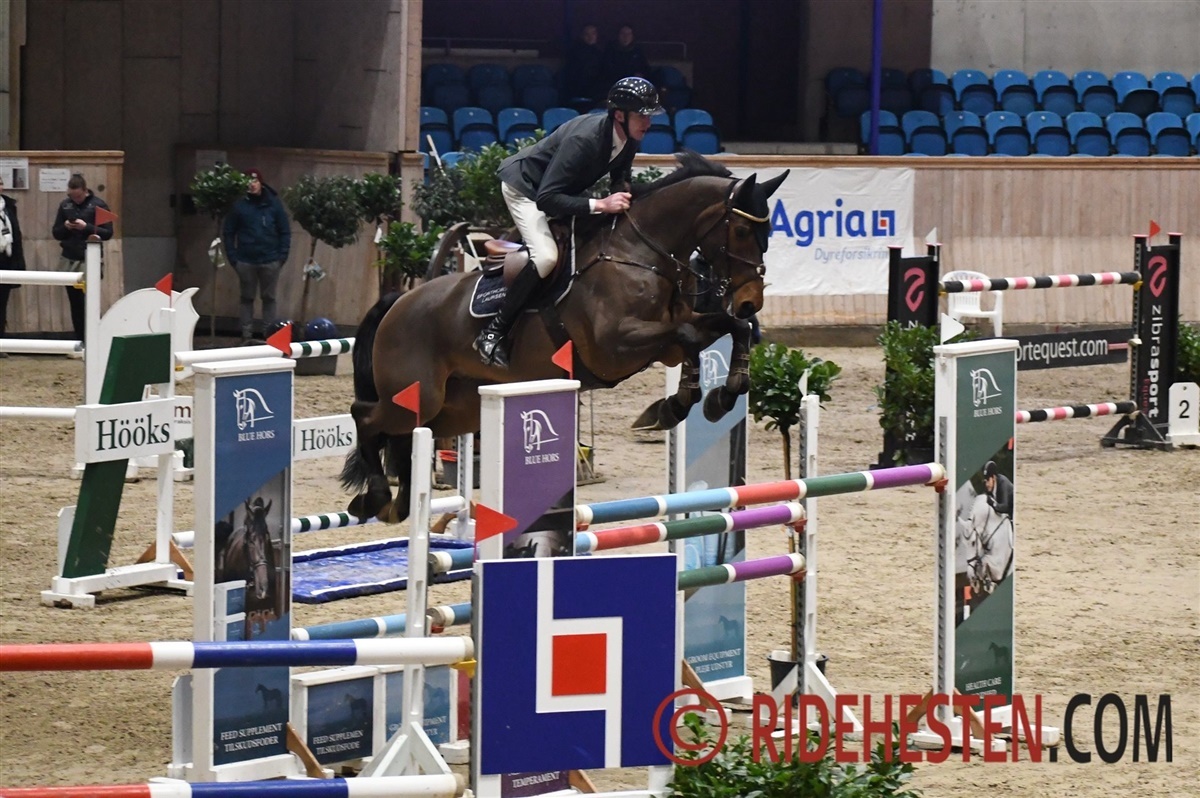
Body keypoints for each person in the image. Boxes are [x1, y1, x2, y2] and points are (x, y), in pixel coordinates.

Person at [478, 76, 662, 368]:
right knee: (546, 257)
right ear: (619, 115)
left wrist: (626, 195)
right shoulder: (584, 140)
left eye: (649, 116)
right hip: (526, 189)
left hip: (560, 191)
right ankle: (493, 332)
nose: (648, 123)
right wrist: (601, 204)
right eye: (642, 116)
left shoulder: (628, 138)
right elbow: (547, 199)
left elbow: (620, 179)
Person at [222, 168, 291, 342]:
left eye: (254, 181)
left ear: (261, 183)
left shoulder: (274, 204)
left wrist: (282, 256)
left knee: (269, 298)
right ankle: (246, 336)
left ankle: (269, 336)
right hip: (245, 261)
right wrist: (233, 258)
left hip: (271, 260)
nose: (251, 185)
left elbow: (284, 231)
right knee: (246, 298)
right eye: (248, 182)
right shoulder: (239, 206)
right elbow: (228, 232)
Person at [51, 174, 113, 340]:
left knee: (90, 301)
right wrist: (65, 226)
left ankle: (94, 337)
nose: (75, 200)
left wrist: (86, 227)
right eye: (72, 197)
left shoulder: (99, 205)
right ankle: (80, 338)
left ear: (86, 191)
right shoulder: (65, 205)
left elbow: (108, 233)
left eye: (78, 196)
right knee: (75, 302)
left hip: (89, 259)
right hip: (69, 258)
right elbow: (56, 233)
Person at [0, 174, 26, 353]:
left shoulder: (9, 206)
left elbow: (16, 234)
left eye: (0, 183)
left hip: (6, 259)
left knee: (2, 303)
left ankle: (1, 342)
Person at [562, 23, 605, 108]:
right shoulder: (575, 53)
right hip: (579, 91)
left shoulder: (599, 53)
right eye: (587, 34)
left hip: (596, 90)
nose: (590, 37)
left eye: (593, 33)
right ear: (582, 36)